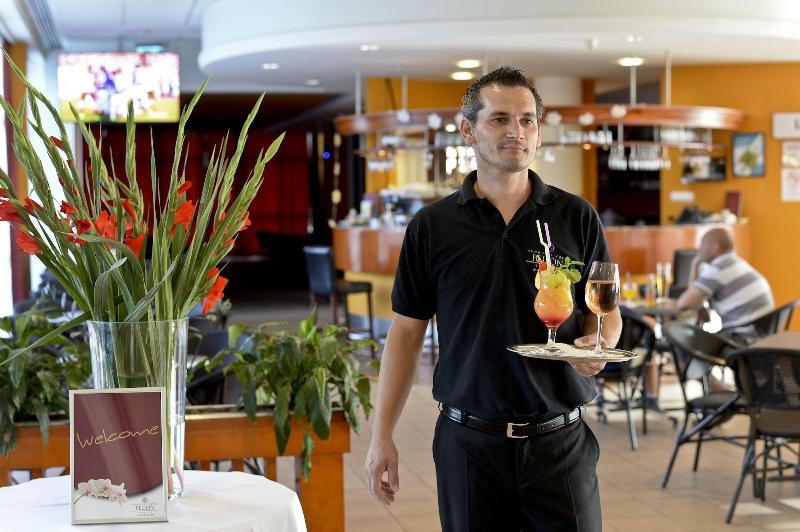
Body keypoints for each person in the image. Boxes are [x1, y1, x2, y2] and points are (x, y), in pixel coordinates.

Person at [364, 66, 621, 532]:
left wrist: (596, 346)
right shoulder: (432, 227)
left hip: (560, 441)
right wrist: (381, 435)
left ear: (538, 132)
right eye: (499, 119)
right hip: (468, 444)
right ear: (468, 130)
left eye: (526, 120)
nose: (515, 131)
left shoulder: (575, 216)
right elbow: (405, 332)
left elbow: (604, 313)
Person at [677, 227, 774, 340]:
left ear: (714, 248)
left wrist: (695, 263)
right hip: (762, 335)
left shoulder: (718, 269)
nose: (699, 250)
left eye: (702, 244)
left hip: (742, 338)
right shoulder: (736, 263)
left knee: (688, 339)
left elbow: (684, 304)